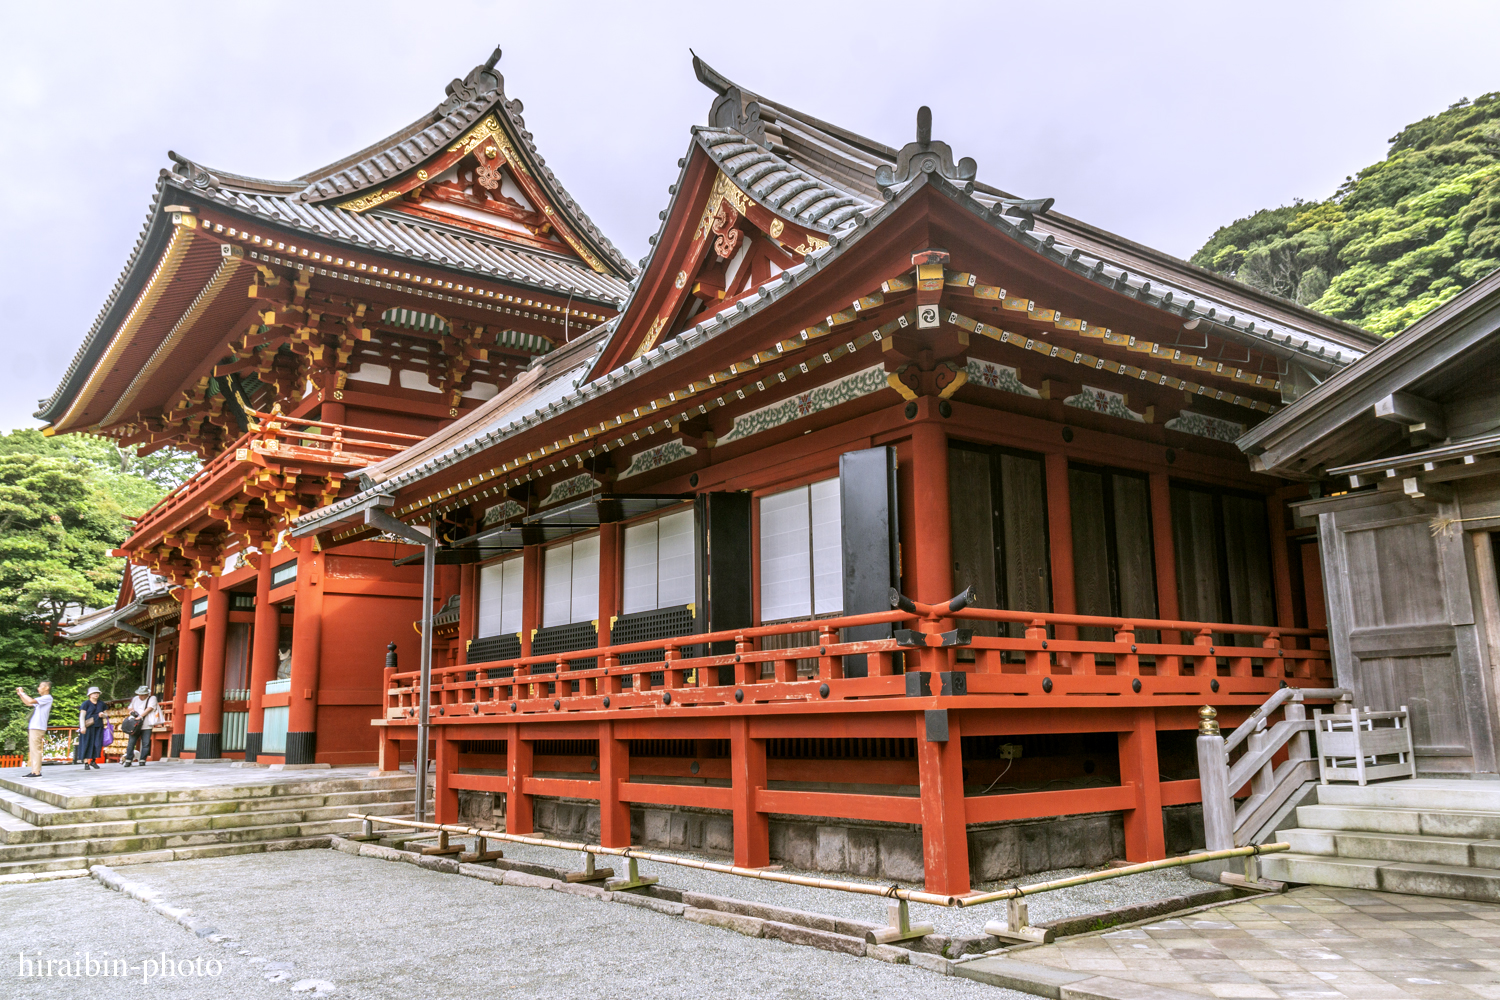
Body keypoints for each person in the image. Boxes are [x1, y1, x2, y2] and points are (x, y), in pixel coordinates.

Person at [15, 682, 52, 778]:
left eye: (40, 686)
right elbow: (28, 703)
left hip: (38, 726)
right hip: (35, 726)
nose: (38, 688)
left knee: (36, 749)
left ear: (46, 687)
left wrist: (23, 693)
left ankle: (36, 771)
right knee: (33, 749)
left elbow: (31, 701)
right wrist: (20, 695)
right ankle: (34, 770)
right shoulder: (42, 700)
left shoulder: (47, 698)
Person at [122, 685, 159, 767]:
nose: (140, 696)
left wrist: (140, 716)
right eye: (139, 694)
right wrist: (132, 711)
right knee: (131, 743)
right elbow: (130, 707)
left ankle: (142, 759)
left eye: (142, 695)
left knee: (145, 743)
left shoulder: (152, 698)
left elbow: (150, 708)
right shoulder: (135, 699)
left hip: (147, 724)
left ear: (147, 694)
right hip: (135, 725)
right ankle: (128, 759)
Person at [77, 687, 106, 771]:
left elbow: (106, 715)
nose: (96, 694)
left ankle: (93, 760)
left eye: (97, 693)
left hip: (98, 726)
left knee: (97, 744)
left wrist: (102, 715)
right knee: (86, 743)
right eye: (94, 693)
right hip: (88, 726)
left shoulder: (101, 704)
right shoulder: (85, 704)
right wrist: (82, 726)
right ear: (90, 695)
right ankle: (86, 762)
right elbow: (82, 716)